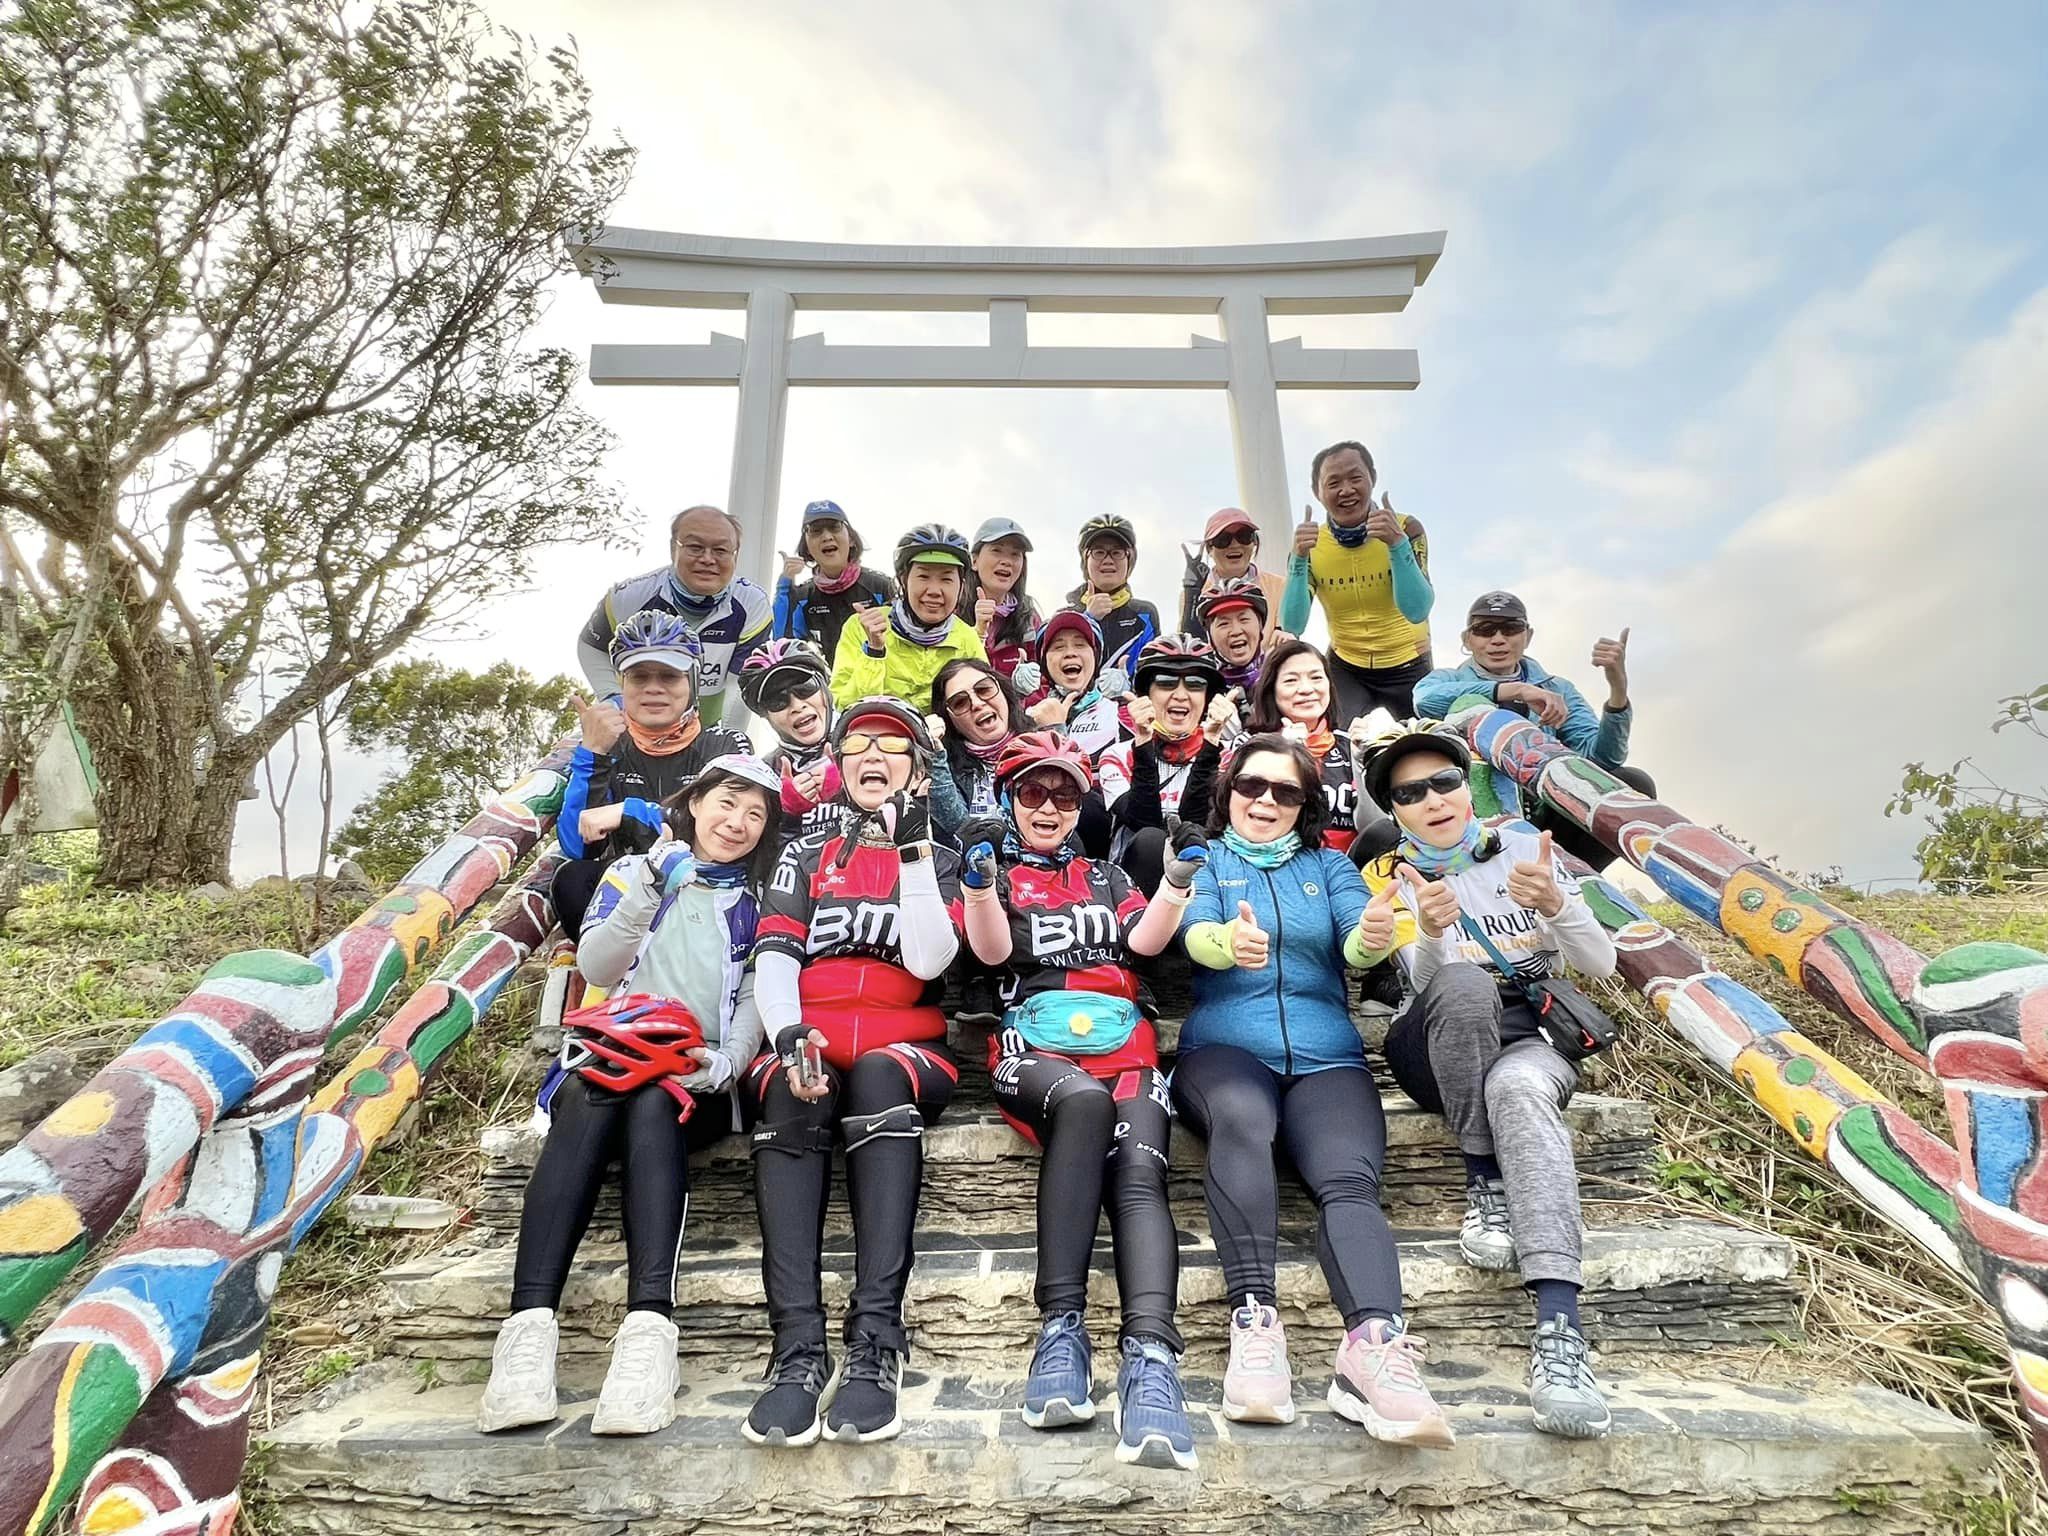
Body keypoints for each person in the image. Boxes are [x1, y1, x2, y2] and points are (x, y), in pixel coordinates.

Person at [478, 755, 783, 1437]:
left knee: (654, 1101)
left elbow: (754, 998)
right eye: (726, 803)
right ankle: (526, 1335)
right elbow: (597, 966)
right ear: (695, 803)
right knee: (589, 1095)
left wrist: (729, 1061)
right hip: (609, 1058)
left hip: (694, 1073)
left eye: (754, 814)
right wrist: (651, 881)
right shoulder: (632, 873)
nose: (736, 822)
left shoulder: (760, 901)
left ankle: (648, 1335)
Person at [1172, 735, 1454, 1445]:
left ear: (1306, 805)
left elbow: (1358, 949)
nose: (1266, 801)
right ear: (1229, 790)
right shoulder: (1207, 861)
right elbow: (1194, 934)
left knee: (1347, 1179)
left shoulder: (1328, 866)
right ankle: (1254, 1322)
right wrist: (1226, 947)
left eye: (1286, 792)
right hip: (1226, 1051)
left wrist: (1374, 931)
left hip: (1327, 1054)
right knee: (1241, 1119)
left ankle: (1374, 1349)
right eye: (1252, 787)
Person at [1360, 729, 1618, 1439]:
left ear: (1467, 784)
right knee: (1465, 980)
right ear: (1395, 811)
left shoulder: (1526, 851)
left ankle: (1560, 1330)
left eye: (1443, 782)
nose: (1432, 800)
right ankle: (1483, 1176)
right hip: (1435, 1038)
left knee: (1521, 1094)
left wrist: (1558, 908)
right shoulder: (1393, 875)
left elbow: (1599, 965)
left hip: (1528, 1039)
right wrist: (1435, 934)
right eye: (1409, 794)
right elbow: (1421, 984)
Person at [955, 732, 1200, 1468]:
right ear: (1009, 799)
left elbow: (1147, 942)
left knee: (1139, 1170)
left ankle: (1152, 1358)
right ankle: (1060, 1330)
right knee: (1087, 1106)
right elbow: (993, 953)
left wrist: (1177, 879)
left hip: (1126, 1042)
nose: (1049, 807)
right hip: (1036, 1045)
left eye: (1065, 795)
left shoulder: (1106, 874)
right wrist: (975, 884)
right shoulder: (997, 870)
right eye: (1032, 792)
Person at [744, 698, 963, 1447]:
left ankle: (875, 1344)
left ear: (917, 769)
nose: (874, 755)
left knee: (874, 1075)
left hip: (907, 1042)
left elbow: (930, 960)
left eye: (894, 746)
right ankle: (797, 1350)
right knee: (788, 1087)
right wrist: (788, 1034)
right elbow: (774, 957)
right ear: (838, 767)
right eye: (858, 744)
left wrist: (911, 856)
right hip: (810, 1031)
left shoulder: (940, 857)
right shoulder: (804, 855)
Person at [1413, 591, 1650, 872]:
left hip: (1544, 810)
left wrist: (1618, 691)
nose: (1498, 639)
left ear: (1528, 635)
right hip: (1472, 818)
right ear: (1468, 640)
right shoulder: (1449, 680)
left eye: (1511, 628)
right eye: (1484, 630)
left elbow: (1603, 761)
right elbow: (1424, 699)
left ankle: (1572, 881)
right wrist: (1515, 690)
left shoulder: (1557, 689)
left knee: (1632, 783)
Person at [554, 614, 752, 937]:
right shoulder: (609, 746)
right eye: (639, 677)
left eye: (669, 676)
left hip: (704, 894)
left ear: (692, 682)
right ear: (622, 685)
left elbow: (721, 832)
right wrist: (592, 754)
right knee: (572, 880)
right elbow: (578, 847)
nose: (653, 689)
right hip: (630, 907)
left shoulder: (725, 745)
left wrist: (629, 812)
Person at [578, 504, 773, 728]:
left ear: (735, 556)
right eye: (695, 547)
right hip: (638, 724)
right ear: (674, 549)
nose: (708, 559)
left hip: (706, 724)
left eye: (720, 550)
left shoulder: (752, 603)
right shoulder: (630, 597)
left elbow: (738, 687)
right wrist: (613, 697)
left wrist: (728, 744)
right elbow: (590, 646)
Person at [1280, 442, 1434, 721]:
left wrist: (1397, 544)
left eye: (1355, 478)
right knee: (1339, 746)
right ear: (1318, 492)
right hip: (1347, 667)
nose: (1346, 490)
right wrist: (1299, 559)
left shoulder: (1407, 528)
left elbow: (1417, 609)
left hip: (1409, 663)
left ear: (1372, 478)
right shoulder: (1310, 544)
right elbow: (1293, 624)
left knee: (1418, 752)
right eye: (1333, 482)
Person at [1100, 634, 1235, 894]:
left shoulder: (1229, 755)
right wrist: (1142, 741)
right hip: (1135, 886)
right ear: (1146, 695)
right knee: (1152, 841)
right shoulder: (1117, 756)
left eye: (1195, 684)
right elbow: (1144, 821)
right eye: (1166, 682)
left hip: (1205, 883)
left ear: (1209, 698)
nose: (1181, 695)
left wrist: (1212, 741)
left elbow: (1198, 822)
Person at [1244, 638, 1395, 862]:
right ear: (1271, 689)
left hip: (1347, 873)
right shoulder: (1250, 748)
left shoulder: (1349, 745)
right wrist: (1290, 762)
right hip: (1277, 867)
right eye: (1291, 680)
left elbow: (1376, 831)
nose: (1306, 689)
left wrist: (1363, 761)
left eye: (1316, 678)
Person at [829, 523, 987, 710]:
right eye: (923, 576)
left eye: (946, 579)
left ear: (960, 586)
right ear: (904, 580)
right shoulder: (861, 627)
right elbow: (843, 707)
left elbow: (984, 704)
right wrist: (874, 652)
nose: (934, 591)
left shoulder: (967, 638)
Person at [738, 639, 842, 839]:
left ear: (825, 687)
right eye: (778, 701)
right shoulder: (763, 775)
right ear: (765, 715)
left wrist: (849, 789)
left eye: (805, 688)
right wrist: (787, 816)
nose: (796, 706)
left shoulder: (866, 739)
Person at [773, 500, 897, 666]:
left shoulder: (881, 586)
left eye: (834, 527)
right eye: (815, 531)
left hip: (877, 683)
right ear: (807, 547)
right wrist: (785, 585)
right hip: (829, 686)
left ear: (851, 539)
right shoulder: (802, 597)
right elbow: (781, 649)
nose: (826, 536)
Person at [929, 656, 1024, 833]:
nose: (977, 704)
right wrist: (933, 754)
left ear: (1002, 691)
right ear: (949, 720)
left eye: (984, 689)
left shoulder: (1043, 738)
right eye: (960, 702)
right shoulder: (946, 767)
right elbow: (959, 830)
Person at [1019, 609, 1124, 757]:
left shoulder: (1118, 714)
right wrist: (1016, 700)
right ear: (1044, 664)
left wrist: (1125, 704)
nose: (1070, 653)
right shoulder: (1030, 717)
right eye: (1059, 647)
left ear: (1096, 657)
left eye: (1080, 645)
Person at [1065, 514, 1161, 674]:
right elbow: (1060, 672)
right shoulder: (1065, 616)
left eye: (1117, 552)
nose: (1108, 560)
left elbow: (1154, 670)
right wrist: (1088, 619)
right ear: (1085, 560)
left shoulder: (1145, 614)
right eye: (1099, 552)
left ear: (1130, 560)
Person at [1178, 508, 1288, 641]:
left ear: (1254, 542)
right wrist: (1193, 594)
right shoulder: (1193, 593)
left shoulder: (1280, 586)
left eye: (1244, 536)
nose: (1235, 545)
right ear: (1209, 548)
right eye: (1223, 539)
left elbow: (1288, 641)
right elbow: (1189, 648)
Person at [962, 516, 1042, 681]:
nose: (1006, 561)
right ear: (974, 561)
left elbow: (1046, 681)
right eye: (996, 550)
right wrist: (977, 635)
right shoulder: (953, 611)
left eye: (1015, 554)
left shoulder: (1029, 620)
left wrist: (1024, 693)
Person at [1197, 575, 1271, 710]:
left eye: (1244, 619)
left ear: (1260, 625)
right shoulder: (1200, 688)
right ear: (1209, 635)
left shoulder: (1280, 678)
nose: (1236, 631)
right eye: (1224, 623)